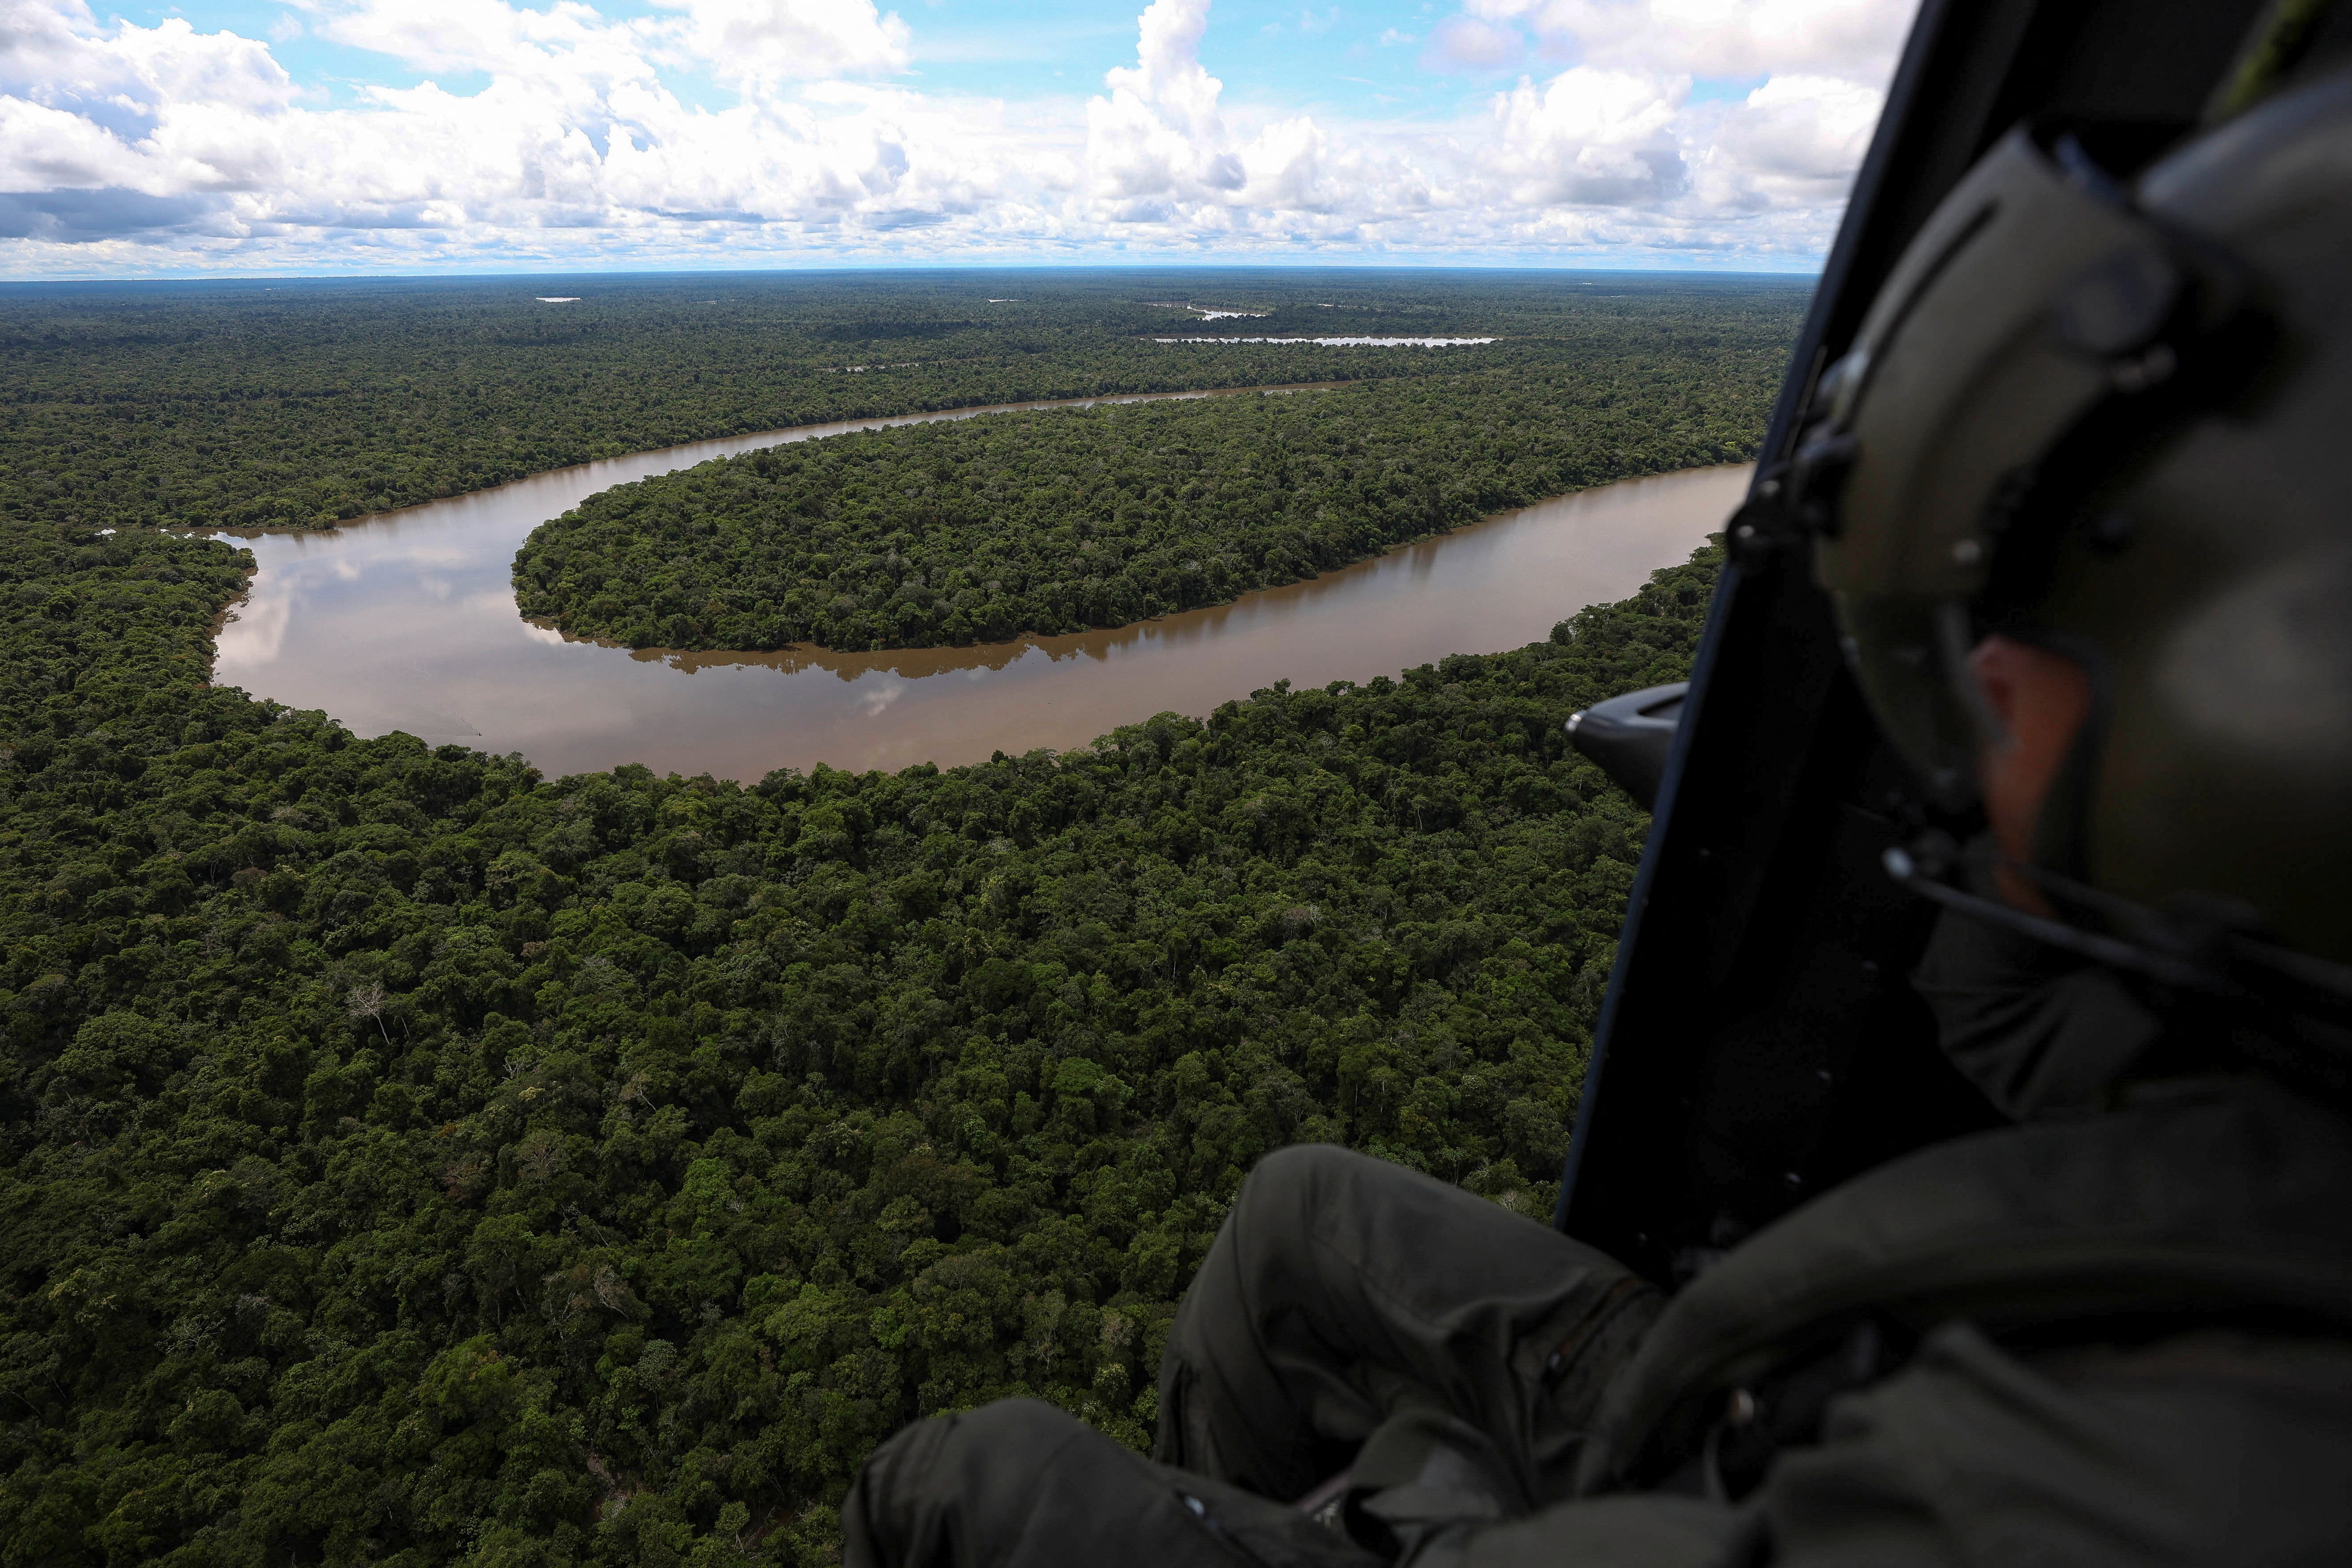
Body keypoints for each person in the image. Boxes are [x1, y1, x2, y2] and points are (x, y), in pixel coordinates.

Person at [842, 66, 2352, 1568]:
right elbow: (2050, 1039)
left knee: (950, 1485)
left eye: (2033, 667)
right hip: (1790, 1373)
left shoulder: (2107, 1492)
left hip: (1760, 1449)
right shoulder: (2273, 1045)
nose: (1987, 683)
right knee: (1296, 1211)